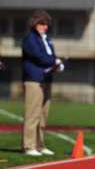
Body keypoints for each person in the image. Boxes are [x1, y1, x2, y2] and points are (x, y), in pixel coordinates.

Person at [22, 10, 64, 156]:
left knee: (43, 115)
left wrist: (57, 64)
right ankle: (28, 146)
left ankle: (39, 145)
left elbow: (50, 56)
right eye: (42, 23)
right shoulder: (30, 39)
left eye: (46, 24)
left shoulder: (46, 39)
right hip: (34, 80)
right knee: (32, 114)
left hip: (46, 79)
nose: (45, 26)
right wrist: (55, 61)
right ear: (34, 24)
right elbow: (39, 57)